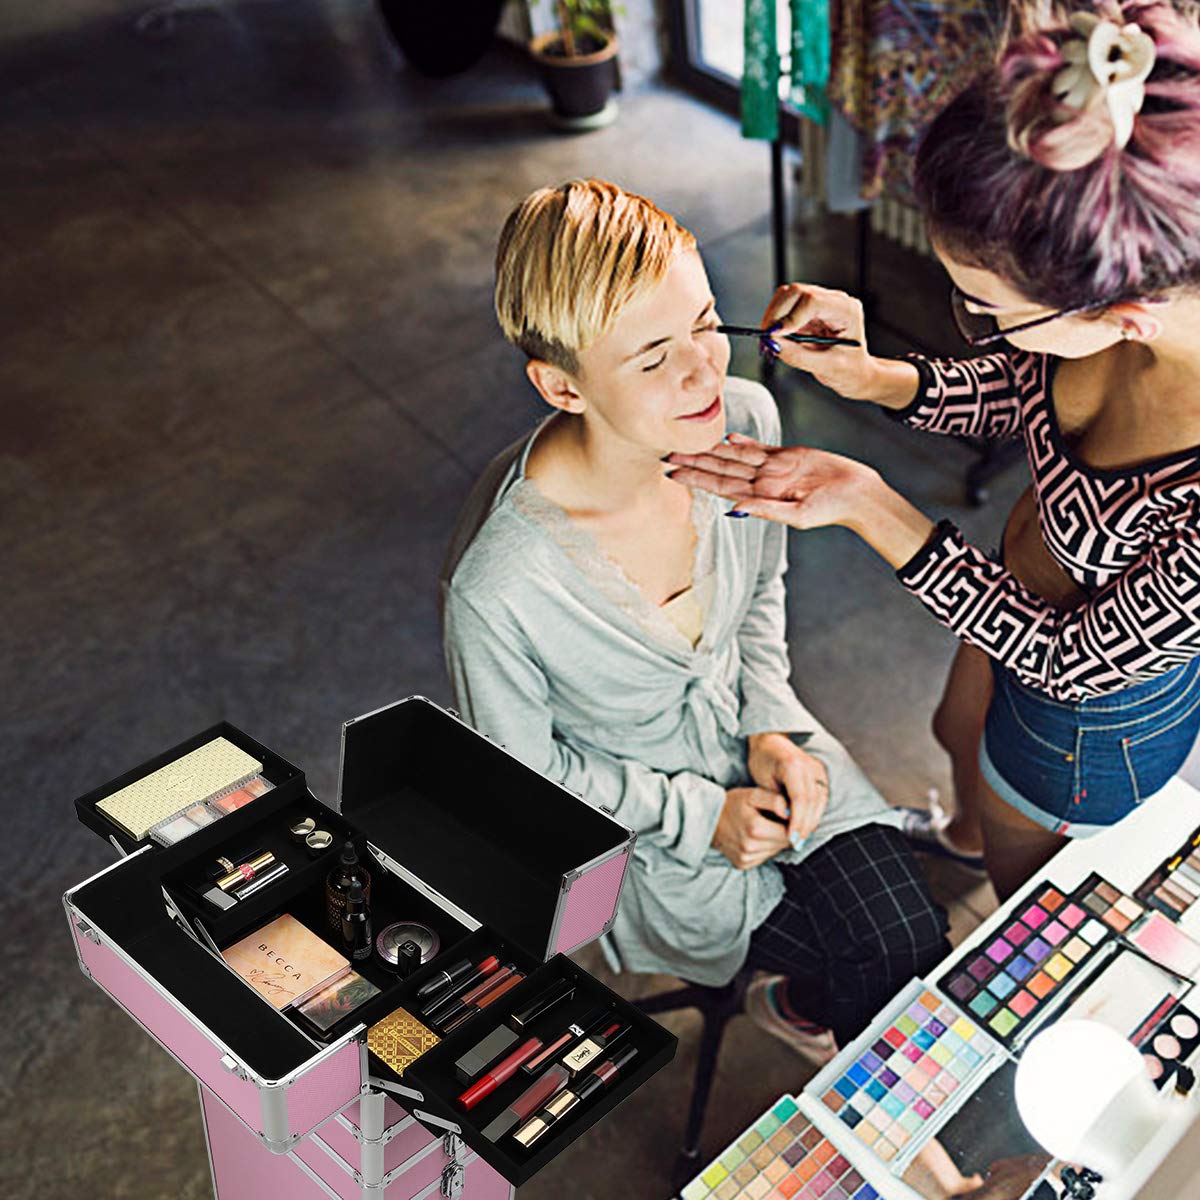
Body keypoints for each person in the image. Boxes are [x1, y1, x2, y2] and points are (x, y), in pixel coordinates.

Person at [667, 1, 1200, 900]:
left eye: (988, 309)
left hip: (1083, 715)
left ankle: (977, 868)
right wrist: (878, 377)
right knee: (958, 732)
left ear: (1123, 318)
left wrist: (871, 504)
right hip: (1005, 604)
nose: (981, 327)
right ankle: (956, 831)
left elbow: (1070, 656)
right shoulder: (1120, 310)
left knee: (1020, 888)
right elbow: (1028, 389)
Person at [440, 179, 949, 1056]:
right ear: (561, 387)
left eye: (707, 324)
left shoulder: (742, 418)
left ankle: (809, 1009)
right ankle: (816, 1019)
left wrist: (774, 728)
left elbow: (758, 603)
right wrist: (696, 815)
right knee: (878, 955)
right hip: (656, 838)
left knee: (911, 941)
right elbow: (527, 780)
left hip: (771, 754)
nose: (704, 371)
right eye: (651, 359)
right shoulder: (501, 590)